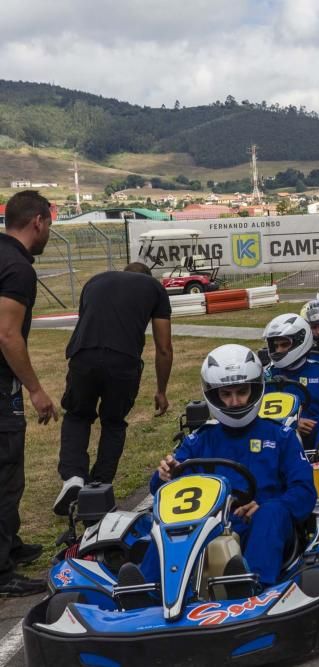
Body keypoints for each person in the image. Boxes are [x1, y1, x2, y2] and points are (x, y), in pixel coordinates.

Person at [138, 344, 316, 587]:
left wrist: (265, 505)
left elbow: (305, 491)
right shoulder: (199, 440)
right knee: (167, 522)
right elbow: (162, 490)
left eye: (241, 392)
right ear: (213, 395)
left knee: (271, 513)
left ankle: (251, 585)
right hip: (208, 528)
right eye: (226, 394)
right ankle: (146, 590)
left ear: (255, 390)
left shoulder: (281, 436)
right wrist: (164, 476)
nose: (234, 402)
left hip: (261, 525)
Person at [53, 263, 173, 515]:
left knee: (77, 416)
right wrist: (161, 390)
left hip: (82, 356)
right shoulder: (154, 288)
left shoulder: (95, 280)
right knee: (114, 422)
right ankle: (100, 485)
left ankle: (74, 478)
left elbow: (86, 321)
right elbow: (164, 347)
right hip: (123, 361)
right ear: (146, 277)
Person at [0, 190, 57, 597]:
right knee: (6, 477)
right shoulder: (19, 269)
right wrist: (35, 389)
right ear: (38, 221)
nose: (49, 231)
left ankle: (11, 546)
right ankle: (2, 573)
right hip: (0, 387)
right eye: (50, 223)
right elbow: (6, 333)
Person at [262, 314, 319, 451]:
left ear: (300, 342)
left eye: (284, 344)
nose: (278, 350)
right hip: (275, 438)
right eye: (275, 346)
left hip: (313, 433)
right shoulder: (267, 376)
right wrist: (293, 424)